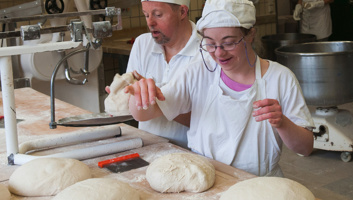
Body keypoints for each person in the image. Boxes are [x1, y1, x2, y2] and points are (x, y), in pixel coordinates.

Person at [126, 0, 315, 177]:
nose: (218, 52)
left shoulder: (280, 78)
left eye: (229, 42)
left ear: (250, 35)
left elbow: (305, 147)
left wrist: (282, 123)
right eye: (210, 43)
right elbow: (144, 114)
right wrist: (140, 96)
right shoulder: (198, 71)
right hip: (205, 180)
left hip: (258, 184)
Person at [108, 0, 206, 148]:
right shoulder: (142, 45)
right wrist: (121, 100)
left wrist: (157, 99)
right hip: (147, 147)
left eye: (158, 15)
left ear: (182, 12)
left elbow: (209, 120)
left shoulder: (206, 53)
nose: (150, 23)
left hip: (189, 152)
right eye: (146, 15)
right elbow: (132, 107)